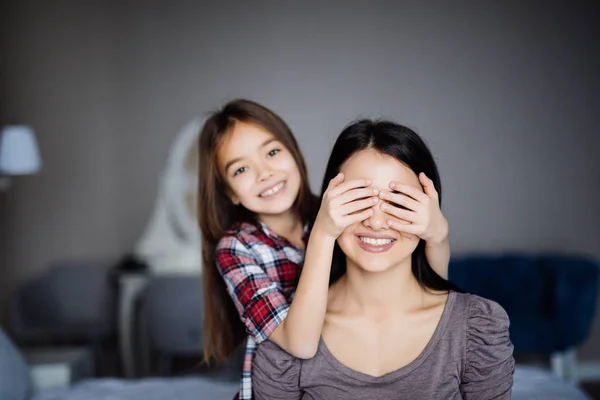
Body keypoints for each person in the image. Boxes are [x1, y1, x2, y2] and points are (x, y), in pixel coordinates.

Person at [197, 100, 452, 399]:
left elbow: (428, 290)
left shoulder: (334, 211)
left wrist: (438, 235)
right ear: (230, 192)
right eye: (241, 169)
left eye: (272, 152)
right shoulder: (236, 249)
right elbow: (300, 344)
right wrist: (323, 234)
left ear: (294, 152)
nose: (264, 173)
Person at [252, 119, 515, 399]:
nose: (376, 222)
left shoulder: (478, 328)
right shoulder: (287, 335)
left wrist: (439, 235)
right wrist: (322, 234)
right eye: (358, 199)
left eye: (398, 201)